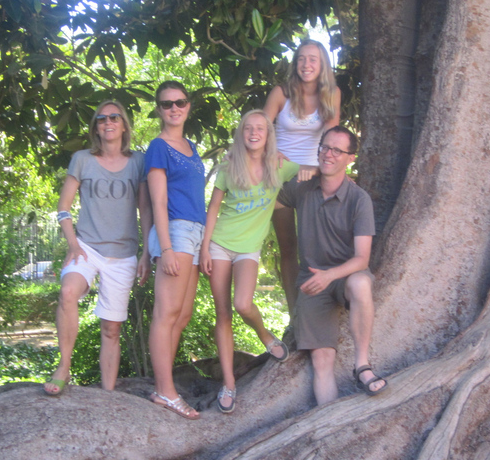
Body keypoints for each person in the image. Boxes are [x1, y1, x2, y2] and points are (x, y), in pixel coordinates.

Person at [44, 100, 152, 396]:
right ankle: (64, 366)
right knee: (67, 293)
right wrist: (72, 244)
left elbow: (145, 208)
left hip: (124, 254)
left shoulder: (139, 162)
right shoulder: (82, 159)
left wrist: (146, 252)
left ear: (124, 124)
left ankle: (107, 395)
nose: (108, 122)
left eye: (114, 117)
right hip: (87, 248)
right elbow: (63, 207)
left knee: (111, 330)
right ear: (95, 127)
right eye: (101, 119)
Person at [277, 125, 387, 405]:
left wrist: (330, 276)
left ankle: (362, 365)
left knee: (361, 282)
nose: (329, 154)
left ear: (350, 158)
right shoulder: (302, 188)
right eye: (325, 147)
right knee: (321, 359)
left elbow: (362, 259)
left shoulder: (358, 199)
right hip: (311, 279)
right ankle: (327, 422)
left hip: (344, 274)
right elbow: (270, 190)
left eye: (338, 150)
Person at [199, 110, 299, 413]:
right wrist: (204, 248)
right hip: (219, 244)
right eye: (248, 128)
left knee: (244, 304)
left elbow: (314, 169)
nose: (254, 133)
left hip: (248, 249)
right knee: (224, 313)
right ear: (241, 134)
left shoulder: (279, 166)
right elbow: (214, 209)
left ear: (268, 135)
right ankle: (228, 383)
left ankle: (264, 335)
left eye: (260, 128)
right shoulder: (229, 167)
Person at [263, 39, 341, 317]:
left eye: (313, 60)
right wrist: (271, 152)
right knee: (288, 247)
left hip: (313, 174)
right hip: (280, 178)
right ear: (295, 64)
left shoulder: (331, 94)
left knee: (314, 247)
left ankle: (318, 310)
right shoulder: (281, 93)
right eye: (301, 59)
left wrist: (318, 168)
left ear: (322, 66)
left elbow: (332, 140)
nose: (306, 65)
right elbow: (260, 129)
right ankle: (294, 313)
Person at [145, 81, 206, 420]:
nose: (173, 108)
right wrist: (165, 247)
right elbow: (157, 199)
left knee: (182, 316)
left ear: (188, 105)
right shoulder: (159, 146)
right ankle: (167, 392)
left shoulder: (191, 146)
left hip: (195, 233)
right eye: (166, 104)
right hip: (176, 232)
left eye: (179, 102)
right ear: (159, 109)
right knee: (166, 314)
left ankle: (162, 387)